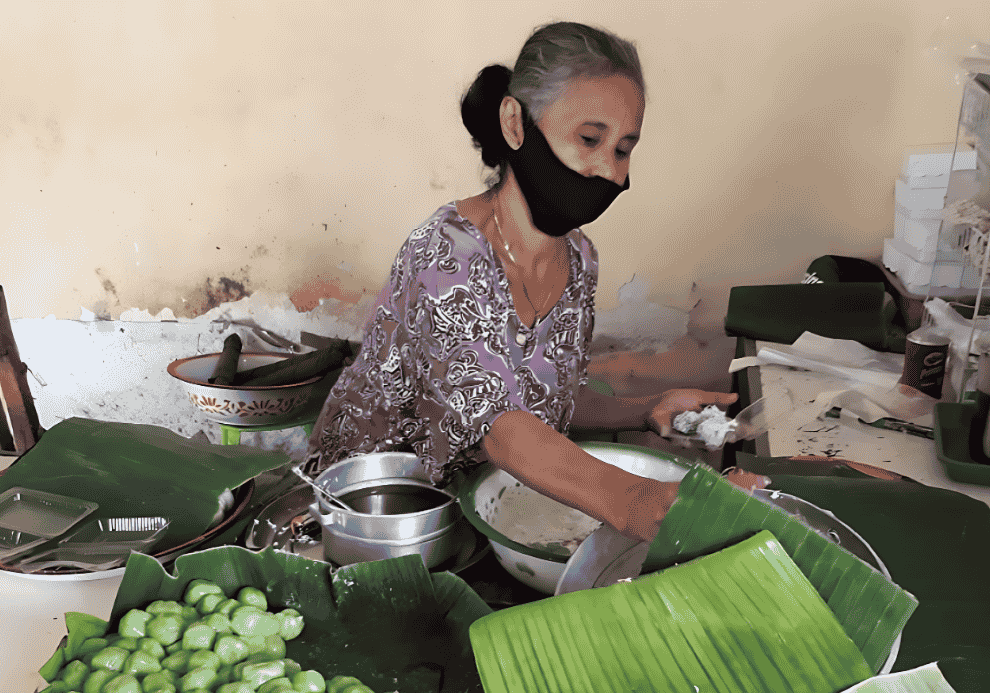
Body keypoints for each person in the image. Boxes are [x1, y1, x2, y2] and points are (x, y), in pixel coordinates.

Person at [304, 21, 751, 543]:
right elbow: (502, 430)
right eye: (590, 139)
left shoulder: (579, 260)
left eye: (624, 148)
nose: (609, 170)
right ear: (515, 124)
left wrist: (645, 408)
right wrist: (642, 502)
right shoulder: (446, 254)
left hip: (483, 511)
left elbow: (543, 402)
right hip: (376, 520)